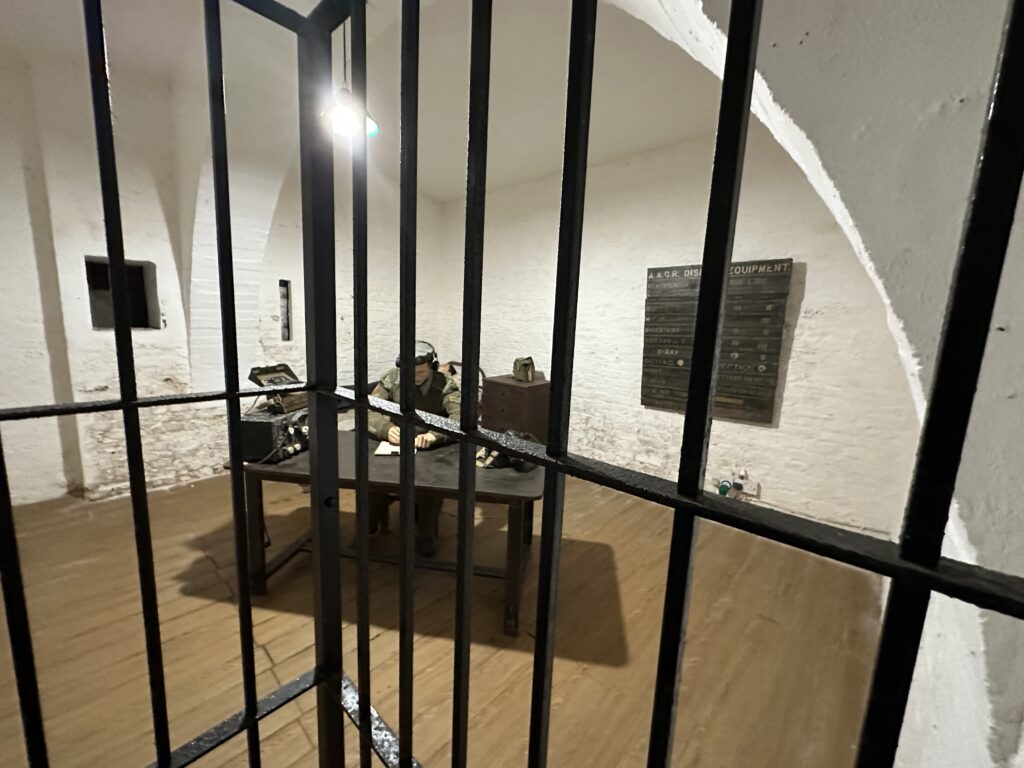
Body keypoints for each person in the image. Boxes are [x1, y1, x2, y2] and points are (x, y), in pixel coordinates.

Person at [365, 340, 460, 556]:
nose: (415, 377)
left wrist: (435, 435)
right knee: (372, 479)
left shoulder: (445, 383)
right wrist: (385, 429)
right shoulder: (392, 378)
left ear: (432, 367)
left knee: (430, 486)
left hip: (431, 447)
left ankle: (426, 535)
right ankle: (368, 527)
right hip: (395, 441)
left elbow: (460, 417)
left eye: (420, 372)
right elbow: (369, 409)